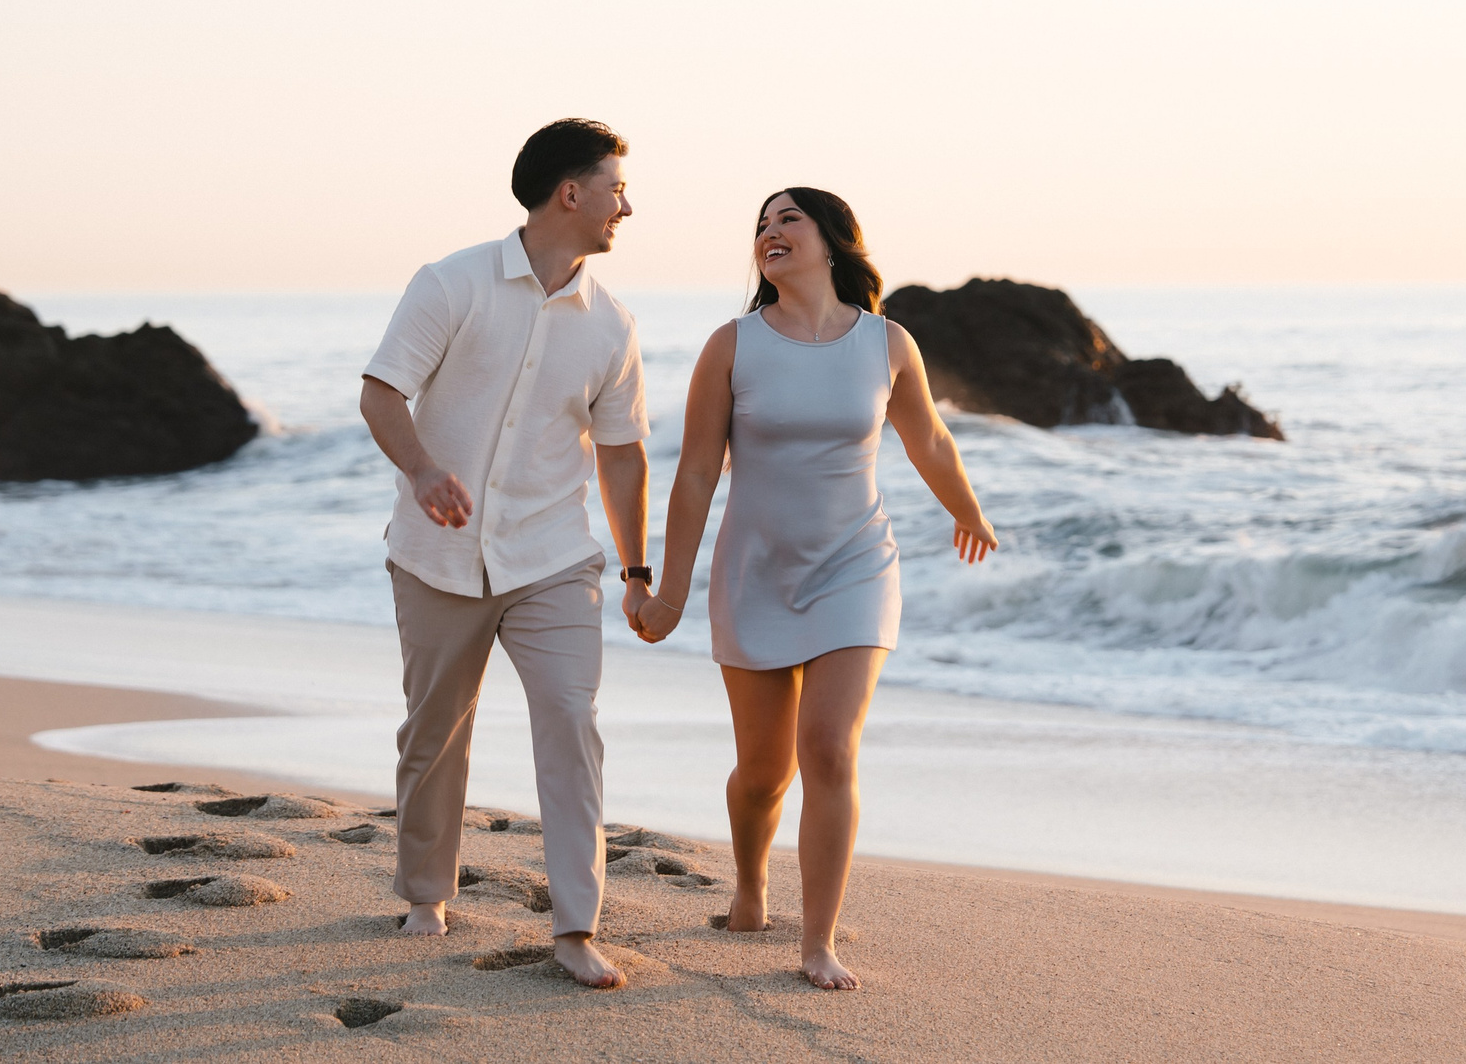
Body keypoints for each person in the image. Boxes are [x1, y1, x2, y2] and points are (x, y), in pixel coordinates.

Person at [636, 187, 998, 990]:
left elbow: (930, 438)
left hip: (857, 567)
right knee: (764, 772)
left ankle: (818, 941)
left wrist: (969, 512)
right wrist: (668, 591)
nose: (769, 232)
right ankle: (750, 885)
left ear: (832, 240)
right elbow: (696, 474)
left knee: (828, 747)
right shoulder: (732, 347)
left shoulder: (887, 343)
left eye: (787, 218)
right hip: (754, 573)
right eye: (760, 224)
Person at [357, 118, 659, 989]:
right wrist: (420, 471)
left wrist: (637, 573)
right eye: (616, 189)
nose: (625, 208)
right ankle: (425, 893)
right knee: (434, 730)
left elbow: (622, 455)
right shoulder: (451, 283)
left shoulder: (613, 325)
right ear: (571, 193)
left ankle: (575, 929)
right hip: (437, 553)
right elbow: (382, 394)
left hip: (554, 559)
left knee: (570, 722)